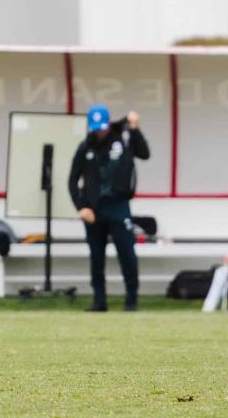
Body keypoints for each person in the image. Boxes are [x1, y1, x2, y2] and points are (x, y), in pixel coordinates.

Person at [68, 105, 150, 312]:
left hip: (119, 206)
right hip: (94, 210)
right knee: (96, 256)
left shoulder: (123, 139)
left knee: (127, 253)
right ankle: (99, 301)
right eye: (96, 128)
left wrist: (135, 129)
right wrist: (81, 207)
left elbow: (144, 153)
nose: (100, 131)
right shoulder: (85, 146)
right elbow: (72, 180)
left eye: (103, 127)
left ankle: (131, 300)